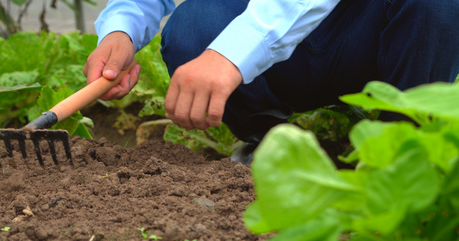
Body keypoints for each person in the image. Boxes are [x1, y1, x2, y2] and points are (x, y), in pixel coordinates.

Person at [83, 0, 459, 163]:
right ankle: (270, 140)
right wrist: (122, 31)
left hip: (369, 34)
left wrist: (231, 54)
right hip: (279, 59)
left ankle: (403, 151)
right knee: (193, 27)